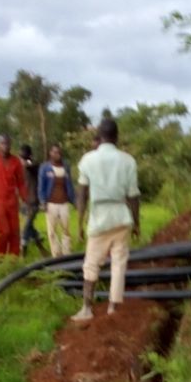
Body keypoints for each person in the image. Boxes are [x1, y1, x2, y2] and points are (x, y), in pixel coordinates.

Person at [73, 117, 140, 322]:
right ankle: (113, 306)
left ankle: (86, 308)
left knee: (92, 263)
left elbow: (82, 194)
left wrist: (79, 222)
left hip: (99, 217)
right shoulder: (128, 160)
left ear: (100, 137)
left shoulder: (87, 160)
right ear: (117, 137)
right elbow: (133, 196)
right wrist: (137, 223)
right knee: (119, 263)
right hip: (121, 215)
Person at [37, 143, 75, 257]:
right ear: (50, 153)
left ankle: (66, 253)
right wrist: (43, 201)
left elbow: (70, 185)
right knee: (52, 232)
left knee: (66, 230)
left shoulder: (65, 166)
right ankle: (56, 254)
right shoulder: (45, 168)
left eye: (58, 152)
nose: (57, 154)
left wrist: (73, 199)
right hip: (51, 204)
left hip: (64, 203)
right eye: (54, 152)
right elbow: (41, 186)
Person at [18, 144, 45, 257]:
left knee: (26, 226)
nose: (21, 157)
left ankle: (23, 250)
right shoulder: (20, 167)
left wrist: (27, 162)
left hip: (33, 201)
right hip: (23, 201)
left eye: (23, 155)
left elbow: (32, 167)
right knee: (29, 226)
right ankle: (40, 247)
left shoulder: (35, 166)